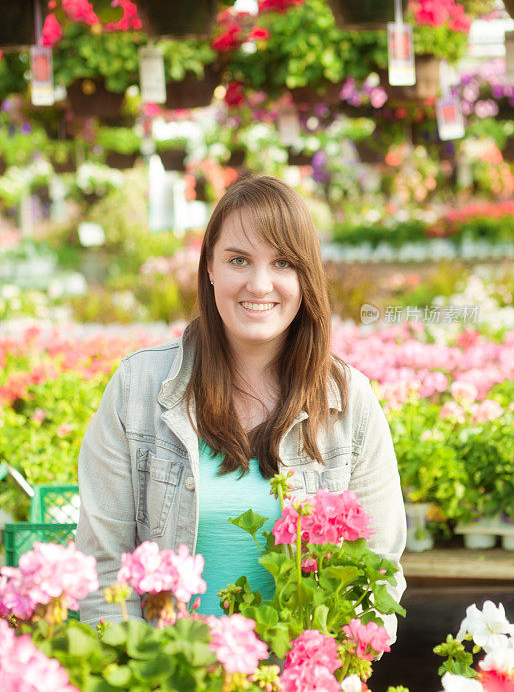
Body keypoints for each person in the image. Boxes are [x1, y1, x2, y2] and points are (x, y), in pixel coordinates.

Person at [76, 174, 406, 637]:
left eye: (283, 263)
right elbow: (100, 572)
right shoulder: (138, 388)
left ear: (306, 276)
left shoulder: (348, 405)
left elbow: (375, 579)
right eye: (238, 260)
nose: (259, 284)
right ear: (209, 266)